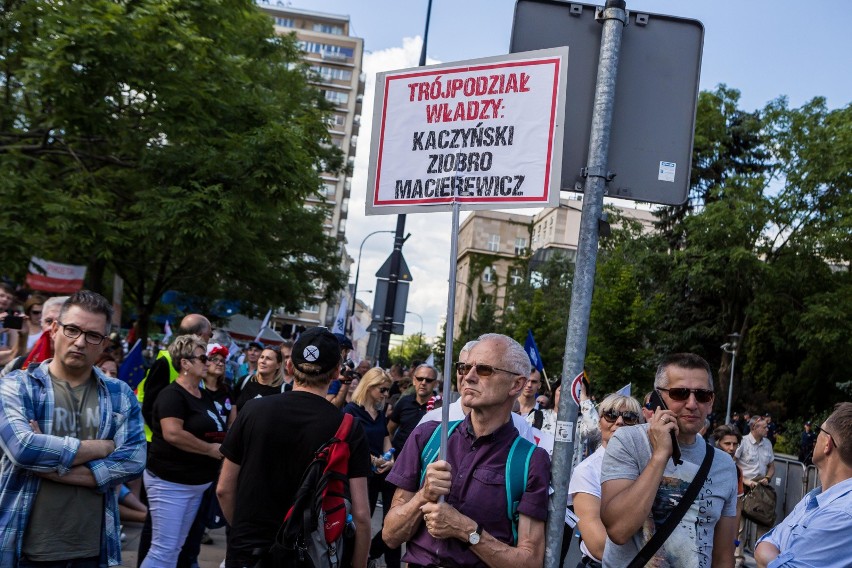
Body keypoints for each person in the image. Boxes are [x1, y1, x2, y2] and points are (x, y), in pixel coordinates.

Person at [0, 290, 146, 567]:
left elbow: (134, 461)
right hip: (23, 547)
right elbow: (24, 449)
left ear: (103, 343)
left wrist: (51, 467)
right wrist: (103, 448)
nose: (80, 342)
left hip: (92, 549)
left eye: (92, 335)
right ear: (54, 330)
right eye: (72, 329)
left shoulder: (120, 394)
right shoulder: (18, 386)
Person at [383, 333, 551, 568]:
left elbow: (530, 562)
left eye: (483, 370)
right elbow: (390, 536)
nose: (468, 377)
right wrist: (424, 495)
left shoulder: (530, 460)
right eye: (464, 367)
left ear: (517, 384)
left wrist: (467, 530)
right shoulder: (428, 436)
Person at [217, 326, 371, 568]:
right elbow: (362, 516)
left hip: (248, 553)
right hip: (309, 556)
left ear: (289, 366)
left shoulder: (253, 411)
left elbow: (224, 489)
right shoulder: (349, 427)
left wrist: (243, 532)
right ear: (335, 373)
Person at [600, 353, 738, 567]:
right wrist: (660, 455)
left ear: (711, 402)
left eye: (702, 395)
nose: (692, 404)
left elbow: (723, 556)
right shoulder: (629, 441)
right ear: (658, 398)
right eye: (680, 393)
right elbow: (618, 530)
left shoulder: (724, 464)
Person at [140, 334, 226, 568]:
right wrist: (209, 449)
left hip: (195, 484)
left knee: (175, 548)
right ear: (185, 363)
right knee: (163, 550)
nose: (207, 362)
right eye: (202, 357)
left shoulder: (203, 394)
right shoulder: (172, 395)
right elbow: (173, 433)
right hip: (171, 483)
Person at [754, 402, 852, 568]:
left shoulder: (842, 514)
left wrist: (770, 556)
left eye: (819, 431)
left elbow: (768, 549)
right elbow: (766, 541)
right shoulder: (815, 498)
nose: (815, 438)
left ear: (827, 443)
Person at [567, 393, 643, 568]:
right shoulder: (587, 471)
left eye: (630, 417)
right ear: (600, 421)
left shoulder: (653, 465)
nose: (619, 422)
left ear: (640, 424)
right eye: (611, 415)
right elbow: (599, 547)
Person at [344, 368, 398, 568]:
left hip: (375, 477)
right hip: (355, 476)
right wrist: (374, 460)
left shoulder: (380, 413)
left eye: (387, 390)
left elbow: (386, 439)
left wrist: (390, 459)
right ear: (369, 386)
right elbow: (346, 443)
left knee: (366, 520)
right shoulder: (351, 410)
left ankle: (362, 558)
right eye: (382, 389)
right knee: (355, 521)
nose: (385, 394)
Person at [735, 415, 775, 564]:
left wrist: (768, 478)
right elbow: (733, 462)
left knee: (763, 525)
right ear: (754, 427)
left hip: (761, 489)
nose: (767, 429)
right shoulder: (743, 442)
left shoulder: (768, 444)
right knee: (740, 527)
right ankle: (738, 559)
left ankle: (760, 561)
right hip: (744, 488)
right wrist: (744, 480)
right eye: (764, 427)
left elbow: (772, 465)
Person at [715, 424, 745, 546]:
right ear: (717, 443)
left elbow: (737, 507)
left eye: (735, 444)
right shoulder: (705, 464)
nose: (732, 448)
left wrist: (735, 539)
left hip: (724, 528)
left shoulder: (737, 471)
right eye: (727, 444)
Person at [233, 346, 287, 412]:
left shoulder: (284, 390)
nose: (263, 361)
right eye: (261, 357)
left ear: (278, 365)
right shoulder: (244, 381)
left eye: (268, 359)